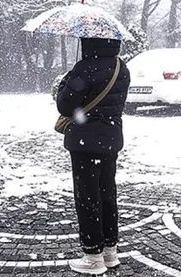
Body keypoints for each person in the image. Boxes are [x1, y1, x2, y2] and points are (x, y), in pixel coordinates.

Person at [55, 38, 131, 275]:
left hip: (85, 142)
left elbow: (65, 107)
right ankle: (110, 251)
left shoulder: (84, 68)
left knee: (88, 197)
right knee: (107, 193)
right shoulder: (122, 67)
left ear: (88, 42)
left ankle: (92, 256)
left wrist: (66, 81)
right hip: (110, 139)